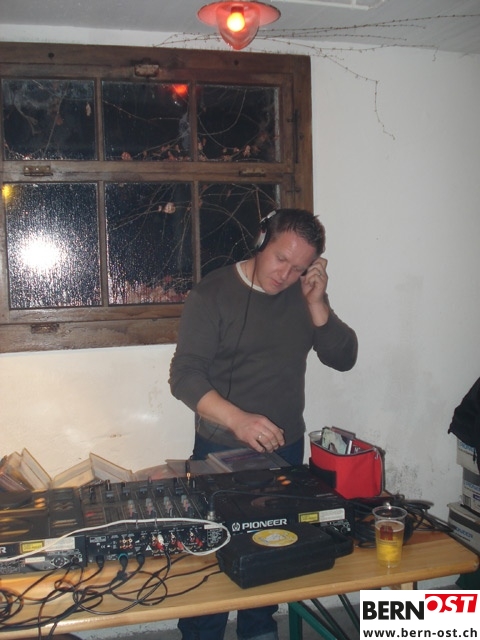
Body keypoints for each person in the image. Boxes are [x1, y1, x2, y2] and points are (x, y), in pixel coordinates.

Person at [169, 208, 358, 640]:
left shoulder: (302, 294)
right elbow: (184, 376)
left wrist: (317, 302)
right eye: (280, 259)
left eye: (299, 268)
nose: (285, 275)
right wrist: (237, 419)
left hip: (285, 450)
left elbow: (343, 358)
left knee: (273, 552)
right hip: (219, 449)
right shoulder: (212, 294)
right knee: (213, 562)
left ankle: (258, 629)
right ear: (261, 240)